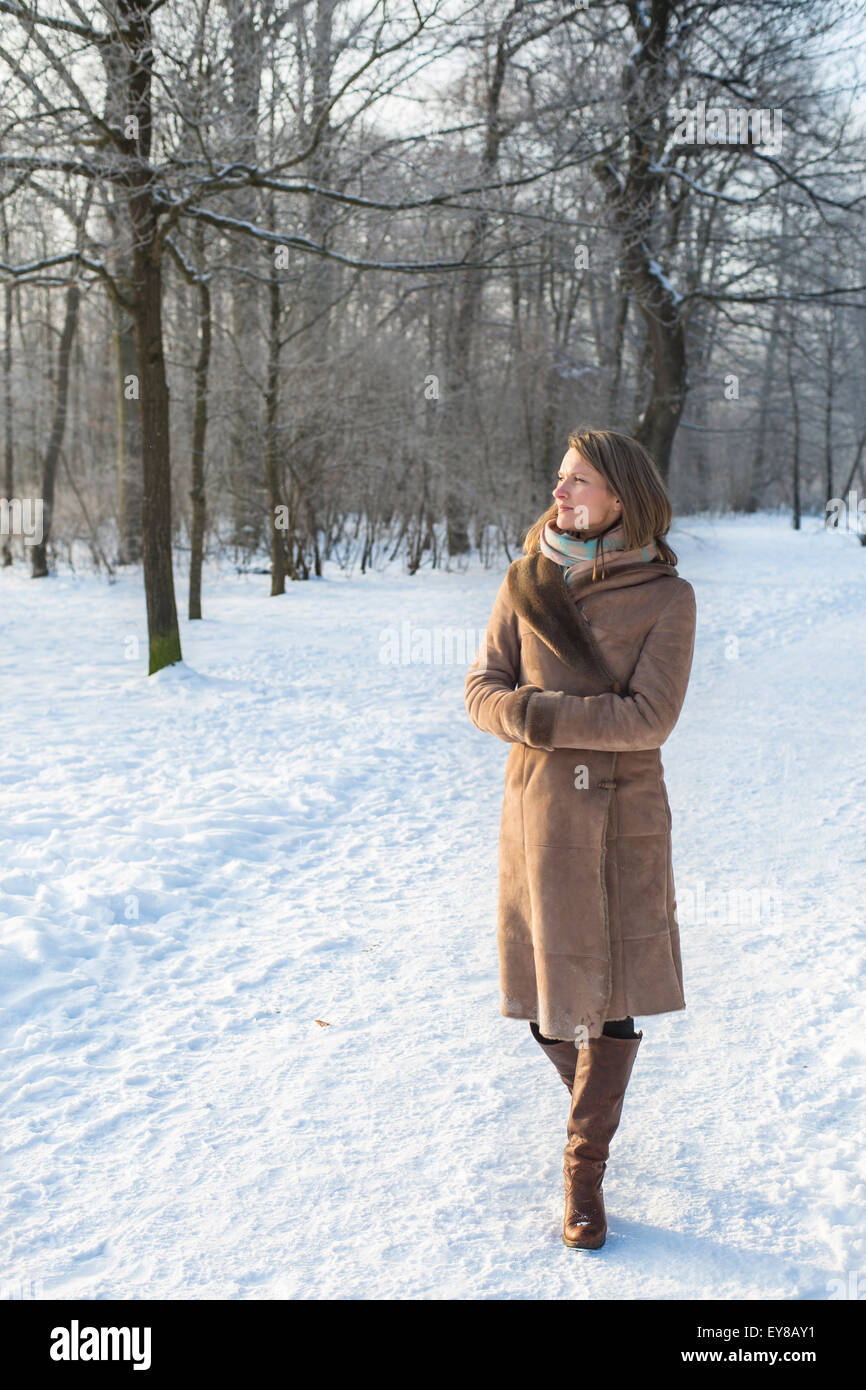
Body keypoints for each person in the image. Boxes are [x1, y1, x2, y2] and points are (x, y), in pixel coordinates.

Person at [464, 426, 697, 1250]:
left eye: (579, 482)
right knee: (546, 1007)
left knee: (614, 999)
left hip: (621, 818)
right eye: (560, 479)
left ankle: (583, 1167)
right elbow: (482, 686)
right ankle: (590, 1112)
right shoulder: (527, 579)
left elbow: (650, 718)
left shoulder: (667, 597)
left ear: (622, 498)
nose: (559, 494)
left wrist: (539, 716)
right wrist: (520, 713)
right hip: (536, 817)